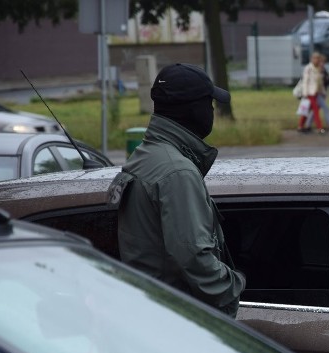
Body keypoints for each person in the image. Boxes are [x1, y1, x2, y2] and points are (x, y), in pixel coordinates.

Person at [105, 62, 245, 317]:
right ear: (192, 109)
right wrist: (233, 287)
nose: (212, 109)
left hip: (152, 309)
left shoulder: (146, 156)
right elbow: (194, 257)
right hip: (176, 318)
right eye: (208, 103)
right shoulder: (177, 172)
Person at [305, 53, 329, 133]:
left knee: (315, 110)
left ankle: (308, 125)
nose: (322, 63)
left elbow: (327, 81)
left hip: (320, 93)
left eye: (324, 62)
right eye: (321, 62)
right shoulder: (316, 70)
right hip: (316, 93)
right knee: (325, 108)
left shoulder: (322, 70)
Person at [297, 52, 325, 133]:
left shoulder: (319, 69)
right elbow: (305, 81)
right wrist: (305, 93)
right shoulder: (308, 68)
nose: (316, 60)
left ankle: (300, 126)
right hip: (310, 93)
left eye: (318, 59)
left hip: (316, 93)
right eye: (315, 58)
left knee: (306, 110)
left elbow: (320, 82)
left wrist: (322, 92)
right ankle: (320, 128)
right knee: (316, 111)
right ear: (312, 59)